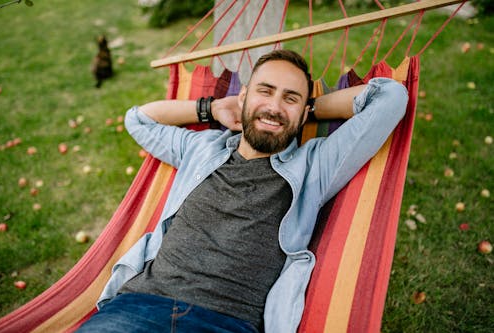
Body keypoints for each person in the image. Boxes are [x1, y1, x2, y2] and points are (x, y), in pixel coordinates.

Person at [77, 49, 408, 333]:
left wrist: (303, 111)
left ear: (306, 110)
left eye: (290, 97)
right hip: (140, 308)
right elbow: (138, 120)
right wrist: (213, 108)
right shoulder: (201, 149)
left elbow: (390, 97)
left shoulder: (315, 165)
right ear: (245, 96)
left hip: (228, 323)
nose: (275, 106)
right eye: (265, 92)